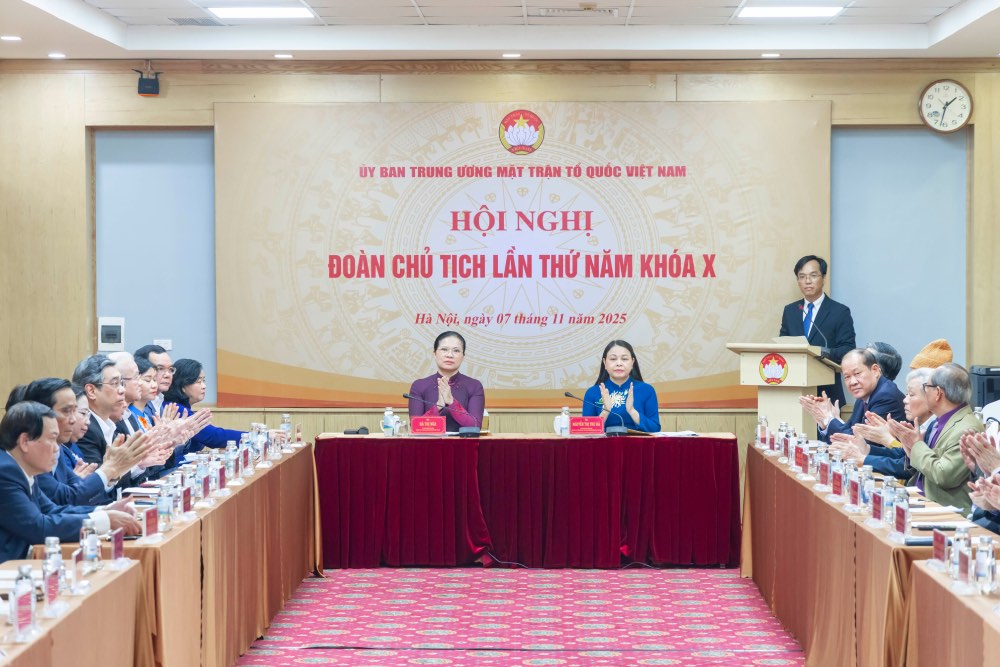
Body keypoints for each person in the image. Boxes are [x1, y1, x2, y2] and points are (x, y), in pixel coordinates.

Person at [0, 401, 141, 563]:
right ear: (24, 441)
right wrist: (105, 520)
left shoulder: (19, 468)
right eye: (52, 439)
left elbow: (51, 510)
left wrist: (104, 510)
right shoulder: (5, 472)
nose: (57, 448)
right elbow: (39, 527)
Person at [17, 378, 149, 505]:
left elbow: (80, 493)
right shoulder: (24, 459)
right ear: (42, 412)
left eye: (75, 411)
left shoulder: (58, 448)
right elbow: (61, 501)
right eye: (66, 411)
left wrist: (105, 513)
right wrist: (111, 468)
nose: (73, 419)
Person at [885, 363, 981, 513]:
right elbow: (928, 465)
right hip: (921, 499)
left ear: (937, 393)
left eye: (926, 387)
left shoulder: (966, 428)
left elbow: (944, 476)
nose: (924, 391)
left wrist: (917, 445)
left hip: (946, 512)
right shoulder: (938, 421)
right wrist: (910, 448)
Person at [779, 255, 856, 407]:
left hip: (827, 393)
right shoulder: (790, 311)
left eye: (813, 276)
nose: (807, 281)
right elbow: (783, 345)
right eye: (802, 276)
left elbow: (848, 350)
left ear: (823, 278)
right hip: (793, 392)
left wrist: (820, 351)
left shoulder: (840, 311)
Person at [828, 367, 934, 478]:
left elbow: (909, 466)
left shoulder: (886, 396)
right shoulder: (863, 398)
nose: (905, 400)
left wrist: (885, 440)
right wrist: (866, 449)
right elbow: (903, 455)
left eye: (911, 395)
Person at [801, 348, 905, 444]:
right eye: (847, 377)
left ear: (875, 370)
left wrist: (827, 419)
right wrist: (824, 420)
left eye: (857, 374)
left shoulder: (886, 396)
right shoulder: (864, 395)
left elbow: (860, 443)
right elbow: (849, 432)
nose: (853, 382)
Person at [407, 331, 485, 432]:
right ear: (434, 354)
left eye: (456, 351)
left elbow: (475, 426)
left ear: (463, 356)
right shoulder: (419, 386)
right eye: (444, 349)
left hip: (464, 446)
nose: (450, 355)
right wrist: (438, 406)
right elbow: (415, 427)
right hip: (428, 446)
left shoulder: (474, 386)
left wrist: (452, 402)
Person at [163, 359, 243, 450]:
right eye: (198, 381)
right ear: (183, 386)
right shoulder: (176, 409)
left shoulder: (182, 407)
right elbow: (214, 437)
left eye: (203, 380)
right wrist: (250, 437)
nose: (204, 386)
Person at [582, 340, 661, 433]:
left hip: (638, 445)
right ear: (604, 362)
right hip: (602, 446)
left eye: (624, 359)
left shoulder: (647, 390)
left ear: (632, 362)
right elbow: (585, 431)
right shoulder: (593, 392)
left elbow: (655, 428)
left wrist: (632, 411)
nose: (619, 363)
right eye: (613, 359)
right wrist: (606, 411)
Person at [135, 344, 173, 417]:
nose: (167, 375)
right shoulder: (138, 404)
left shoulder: (159, 400)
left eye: (170, 369)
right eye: (160, 368)